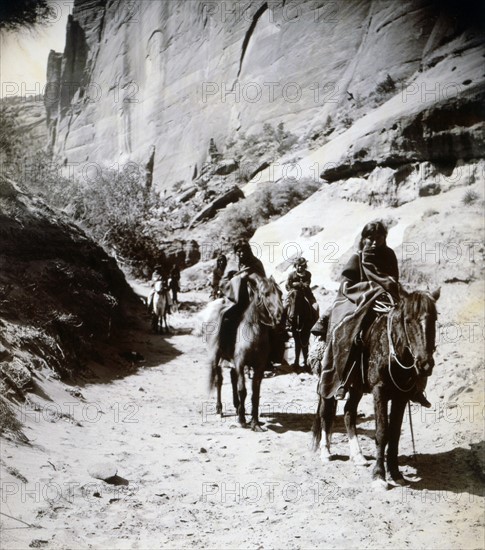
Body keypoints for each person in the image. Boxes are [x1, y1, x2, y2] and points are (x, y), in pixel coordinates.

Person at [313, 221, 430, 407]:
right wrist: (373, 288)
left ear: (385, 237)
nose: (374, 242)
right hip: (359, 299)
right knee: (354, 332)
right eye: (371, 238)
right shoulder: (358, 257)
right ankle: (344, 378)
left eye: (379, 238)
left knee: (412, 329)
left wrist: (391, 290)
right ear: (364, 238)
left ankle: (414, 385)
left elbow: (393, 279)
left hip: (387, 298)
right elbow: (346, 286)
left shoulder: (389, 254)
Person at [283, 257, 317, 329]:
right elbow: (287, 286)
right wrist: (292, 286)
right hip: (293, 294)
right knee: (284, 307)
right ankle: (285, 324)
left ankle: (315, 324)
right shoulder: (291, 275)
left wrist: (297, 284)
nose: (300, 267)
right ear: (295, 266)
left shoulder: (308, 274)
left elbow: (306, 284)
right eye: (298, 265)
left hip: (306, 294)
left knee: (315, 307)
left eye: (302, 265)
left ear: (305, 266)